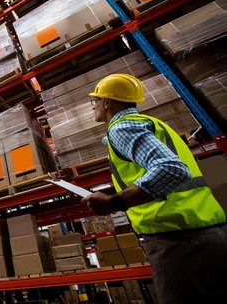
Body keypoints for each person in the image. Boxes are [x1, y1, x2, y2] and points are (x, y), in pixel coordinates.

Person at [82, 73, 227, 304]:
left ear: (108, 102)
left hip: (179, 240)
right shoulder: (154, 124)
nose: (94, 107)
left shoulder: (122, 128)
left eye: (95, 101)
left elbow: (172, 169)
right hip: (206, 229)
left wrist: (114, 202)